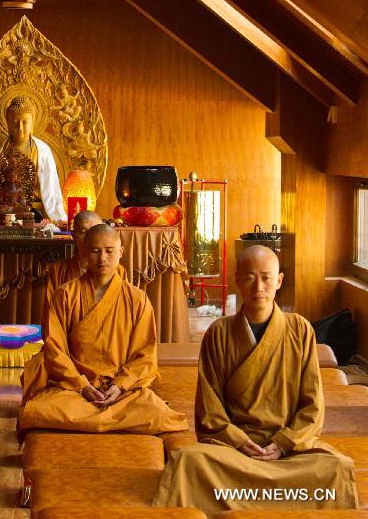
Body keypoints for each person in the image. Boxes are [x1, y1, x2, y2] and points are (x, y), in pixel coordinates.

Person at [153, 245, 358, 512]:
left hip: (288, 449)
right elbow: (210, 408)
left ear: (279, 281)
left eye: (266, 277)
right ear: (237, 279)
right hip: (236, 449)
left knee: (336, 467)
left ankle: (242, 498)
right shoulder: (219, 333)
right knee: (188, 461)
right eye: (249, 277)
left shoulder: (300, 330)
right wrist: (240, 442)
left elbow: (312, 405)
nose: (258, 286)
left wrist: (282, 444)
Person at [18, 223, 188, 434]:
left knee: (160, 413)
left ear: (120, 252)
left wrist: (119, 385)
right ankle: (110, 419)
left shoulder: (137, 299)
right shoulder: (65, 295)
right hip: (74, 390)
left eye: (109, 251)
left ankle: (96, 417)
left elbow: (146, 355)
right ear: (83, 253)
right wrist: (82, 385)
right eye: (95, 251)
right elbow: (54, 348)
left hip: (121, 392)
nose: (102, 258)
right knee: (40, 410)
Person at [20, 210, 127, 404]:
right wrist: (78, 380)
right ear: (74, 235)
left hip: (111, 361)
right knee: (38, 370)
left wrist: (119, 382)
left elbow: (126, 331)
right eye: (82, 232)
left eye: (94, 230)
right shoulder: (60, 275)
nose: (89, 237)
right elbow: (52, 332)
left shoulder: (121, 276)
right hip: (68, 359)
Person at [0, 95, 66, 224]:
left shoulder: (42, 150)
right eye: (15, 122)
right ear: (7, 122)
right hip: (3, 204)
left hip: (31, 204)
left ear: (33, 122)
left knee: (43, 211)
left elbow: (50, 193)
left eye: (25, 122)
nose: (20, 128)